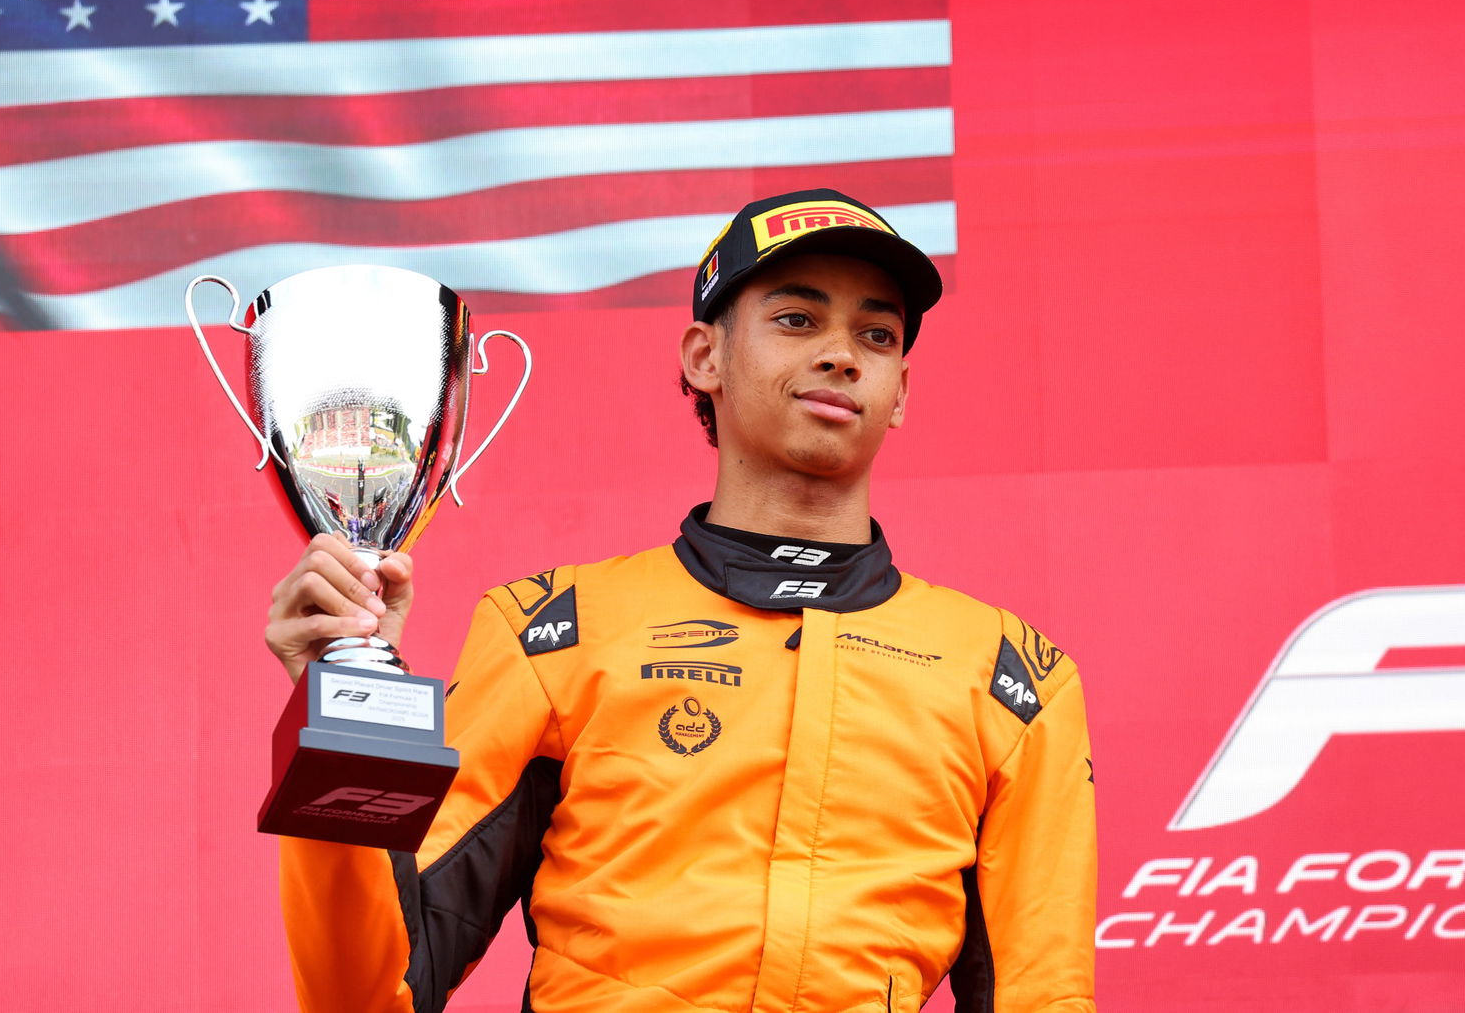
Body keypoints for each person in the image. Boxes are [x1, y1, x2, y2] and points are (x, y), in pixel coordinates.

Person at [265, 189, 1097, 1013]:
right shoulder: (553, 633)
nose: (843, 355)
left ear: (902, 391)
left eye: (875, 335)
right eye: (797, 319)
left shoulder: (1011, 680)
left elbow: (1043, 998)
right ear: (705, 357)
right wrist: (344, 709)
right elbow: (366, 995)